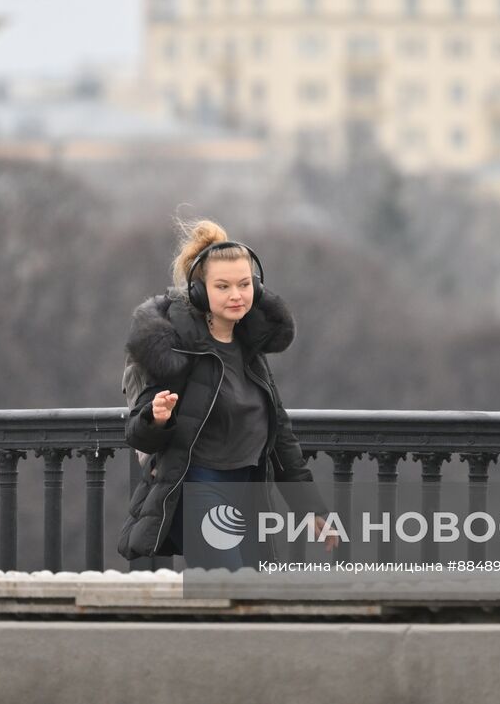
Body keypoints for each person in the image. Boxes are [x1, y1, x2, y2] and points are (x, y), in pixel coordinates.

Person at [117, 218, 339, 570]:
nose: (236, 295)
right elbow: (137, 432)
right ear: (200, 292)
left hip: (249, 492)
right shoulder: (178, 348)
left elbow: (280, 436)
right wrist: (155, 418)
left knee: (251, 597)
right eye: (223, 286)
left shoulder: (250, 349)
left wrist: (311, 509)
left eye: (244, 284)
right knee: (228, 584)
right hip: (198, 488)